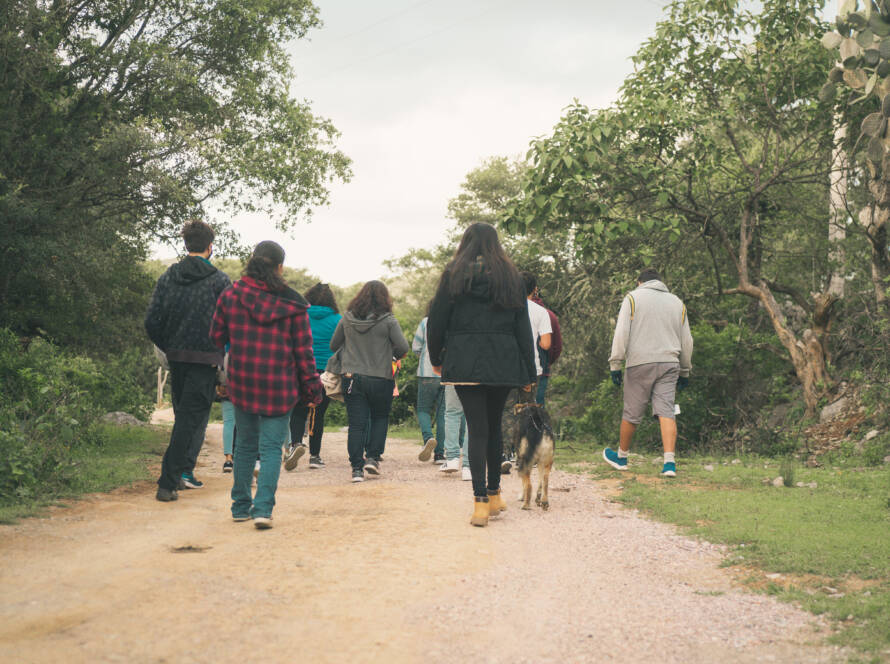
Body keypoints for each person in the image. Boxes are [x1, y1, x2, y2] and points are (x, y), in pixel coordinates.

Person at [428, 223, 536, 527]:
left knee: (476, 429)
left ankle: (480, 504)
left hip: (463, 359)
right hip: (503, 359)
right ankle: (494, 493)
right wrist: (529, 370)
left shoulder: (453, 275)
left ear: (466, 242)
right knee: (493, 427)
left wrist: (437, 357)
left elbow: (437, 320)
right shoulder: (510, 277)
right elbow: (522, 326)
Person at [210, 241, 323, 528]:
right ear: (280, 267)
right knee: (272, 448)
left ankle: (239, 507)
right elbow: (304, 352)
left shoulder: (231, 295)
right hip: (279, 384)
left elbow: (215, 335)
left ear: (252, 261)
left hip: (243, 381)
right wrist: (312, 388)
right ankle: (263, 510)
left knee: (245, 445)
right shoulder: (293, 305)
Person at [145, 220, 231, 502]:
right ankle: (168, 482)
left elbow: (151, 321)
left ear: (186, 245)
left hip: (177, 357)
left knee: (184, 417)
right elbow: (231, 322)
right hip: (205, 359)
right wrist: (220, 352)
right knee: (189, 420)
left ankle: (176, 477)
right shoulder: (219, 280)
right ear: (210, 246)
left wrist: (168, 345)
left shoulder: (169, 276)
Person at [603, 268, 693, 478]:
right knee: (666, 411)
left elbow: (622, 331)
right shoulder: (677, 302)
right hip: (670, 363)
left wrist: (616, 363)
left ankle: (622, 457)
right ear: (661, 282)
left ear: (639, 282)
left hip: (639, 362)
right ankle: (669, 464)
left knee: (632, 411)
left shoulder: (632, 298)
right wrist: (685, 370)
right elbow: (687, 340)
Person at [330, 281, 409, 483]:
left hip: (352, 378)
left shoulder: (347, 318)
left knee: (356, 424)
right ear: (385, 298)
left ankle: (356, 469)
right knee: (380, 418)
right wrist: (390, 354)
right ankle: (372, 458)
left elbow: (333, 345)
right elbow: (403, 347)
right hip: (381, 377)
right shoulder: (389, 321)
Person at [500, 271, 552, 474]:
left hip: (507, 367)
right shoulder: (541, 312)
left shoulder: (505, 309)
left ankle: (505, 453)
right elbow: (546, 344)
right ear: (534, 289)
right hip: (532, 368)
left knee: (507, 410)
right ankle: (526, 454)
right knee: (529, 411)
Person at [286, 283, 342, 471]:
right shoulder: (337, 319)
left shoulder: (301, 315)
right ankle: (315, 456)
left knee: (298, 410)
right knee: (318, 414)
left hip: (301, 367)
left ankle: (294, 444)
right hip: (326, 371)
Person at [413, 313, 446, 463]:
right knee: (443, 414)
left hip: (427, 372)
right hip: (446, 375)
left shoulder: (425, 322)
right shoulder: (452, 321)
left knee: (423, 409)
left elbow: (416, 348)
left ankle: (428, 437)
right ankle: (439, 455)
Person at [528, 278, 562, 406]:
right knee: (536, 410)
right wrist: (547, 361)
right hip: (540, 369)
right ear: (535, 289)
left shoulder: (508, 311)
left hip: (513, 370)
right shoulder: (548, 314)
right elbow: (556, 347)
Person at [439, 385, 470, 479]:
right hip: (476, 375)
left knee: (452, 413)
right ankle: (468, 466)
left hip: (453, 374)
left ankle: (452, 459)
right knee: (473, 415)